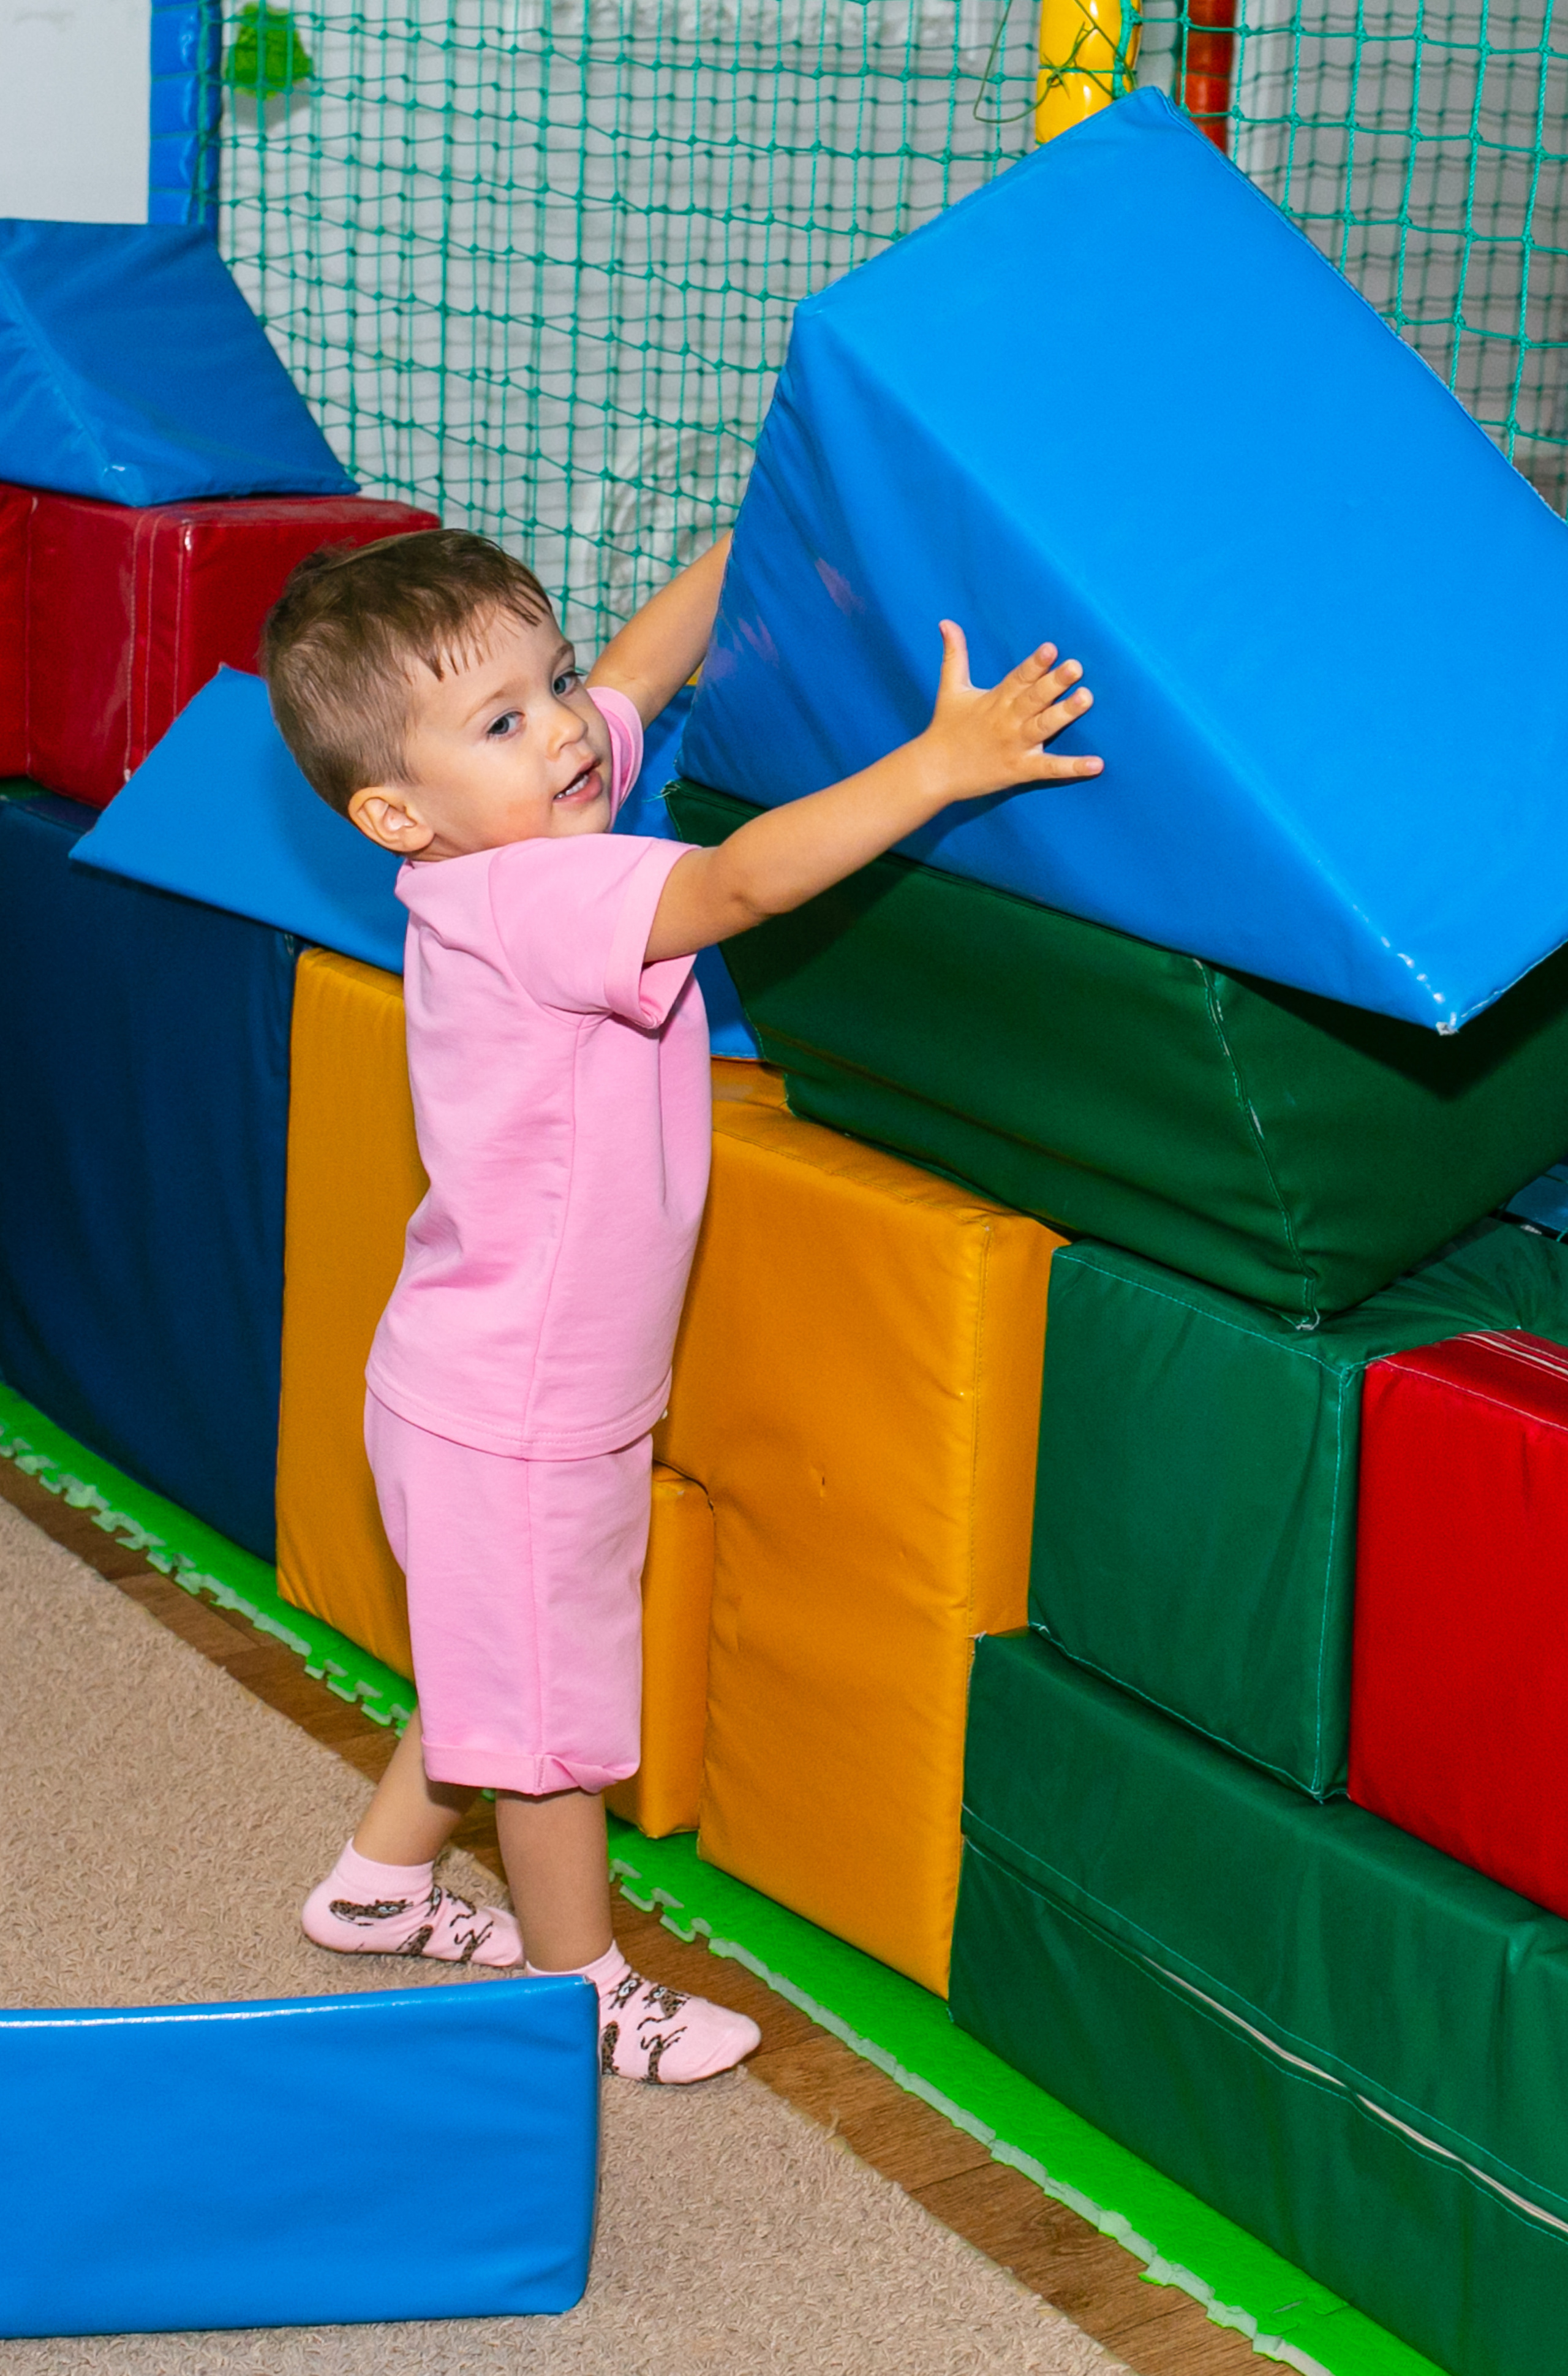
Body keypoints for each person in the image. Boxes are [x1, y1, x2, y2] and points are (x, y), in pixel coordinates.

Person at [260, 526, 1100, 2083]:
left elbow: (639, 675)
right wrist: (939, 764)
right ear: (396, 814)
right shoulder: (535, 897)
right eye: (504, 720)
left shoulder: (498, 829)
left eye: (550, 680)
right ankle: (576, 1986)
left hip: (500, 1386)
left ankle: (377, 1886)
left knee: (498, 1664)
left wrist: (755, 520)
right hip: (513, 1411)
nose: (566, 730)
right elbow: (741, 879)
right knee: (547, 1732)